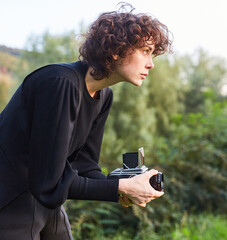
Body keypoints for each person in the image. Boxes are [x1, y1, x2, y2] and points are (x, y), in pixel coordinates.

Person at [0, 3, 172, 239]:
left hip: (47, 202)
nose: (151, 63)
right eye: (145, 51)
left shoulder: (103, 96)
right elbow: (49, 182)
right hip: (10, 201)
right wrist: (119, 187)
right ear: (116, 50)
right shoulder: (61, 82)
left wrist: (121, 191)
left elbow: (84, 164)